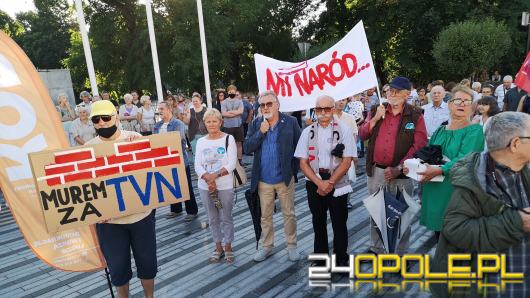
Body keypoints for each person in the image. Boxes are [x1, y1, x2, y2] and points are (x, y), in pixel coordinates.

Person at [432, 112, 530, 296]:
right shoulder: (476, 180)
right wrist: (517, 222)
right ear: (516, 144)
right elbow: (455, 228)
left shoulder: (523, 170)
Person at [86, 100, 156, 298]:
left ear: (116, 117)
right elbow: (86, 186)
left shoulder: (135, 138)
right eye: (96, 119)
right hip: (109, 223)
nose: (101, 123)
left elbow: (152, 171)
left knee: (148, 263)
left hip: (141, 216)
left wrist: (141, 148)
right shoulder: (88, 148)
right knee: (117, 270)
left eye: (106, 118)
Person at [359, 76, 428, 254]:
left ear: (407, 94)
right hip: (377, 172)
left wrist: (399, 167)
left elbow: (419, 145)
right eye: (390, 90)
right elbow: (362, 135)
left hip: (402, 173)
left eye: (397, 91)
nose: (392, 94)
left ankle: (400, 252)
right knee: (376, 211)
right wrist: (374, 119)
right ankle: (376, 247)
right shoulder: (377, 109)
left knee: (402, 214)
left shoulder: (415, 114)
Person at [410, 86, 485, 238]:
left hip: (457, 191)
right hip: (435, 188)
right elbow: (427, 155)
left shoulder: (475, 130)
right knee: (440, 237)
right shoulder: (440, 130)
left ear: (472, 107)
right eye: (458, 100)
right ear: (450, 104)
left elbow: (465, 158)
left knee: (457, 239)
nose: (462, 104)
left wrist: (440, 170)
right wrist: (414, 167)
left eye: (467, 101)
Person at [295, 95, 356, 267]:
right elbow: (302, 162)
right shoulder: (307, 131)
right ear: (315, 111)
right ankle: (321, 259)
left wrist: (329, 183)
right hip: (314, 180)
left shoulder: (344, 129)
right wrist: (319, 183)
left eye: (327, 109)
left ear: (333, 109)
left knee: (339, 222)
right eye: (319, 109)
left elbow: (347, 160)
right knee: (318, 221)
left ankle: (341, 261)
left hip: (337, 180)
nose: (323, 112)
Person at [244, 90, 301, 262]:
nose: (266, 107)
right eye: (262, 105)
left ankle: (292, 245)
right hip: (263, 179)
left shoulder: (290, 122)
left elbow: (299, 148)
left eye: (269, 103)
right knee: (265, 216)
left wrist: (292, 171)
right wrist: (260, 132)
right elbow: (247, 148)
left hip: (284, 178)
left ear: (277, 105)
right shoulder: (256, 124)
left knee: (289, 214)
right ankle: (267, 246)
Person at [195, 108, 237, 263]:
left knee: (226, 216)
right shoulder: (200, 141)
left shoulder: (229, 138)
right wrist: (208, 178)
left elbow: (232, 163)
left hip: (224, 185)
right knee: (212, 218)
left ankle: (228, 246)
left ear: (221, 122)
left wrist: (214, 176)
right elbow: (197, 165)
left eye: (214, 121)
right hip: (205, 186)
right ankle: (218, 246)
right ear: (204, 123)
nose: (211, 124)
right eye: (208, 121)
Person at [154, 101, 199, 221]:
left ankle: (192, 211)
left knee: (186, 185)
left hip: (179, 159)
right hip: (164, 160)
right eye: (159, 109)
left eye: (162, 108)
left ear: (169, 109)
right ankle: (176, 209)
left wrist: (163, 143)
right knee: (172, 185)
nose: (160, 111)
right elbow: (153, 143)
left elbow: (180, 141)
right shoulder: (157, 126)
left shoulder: (177, 123)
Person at [334, 98, 359, 209]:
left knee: (348, 178)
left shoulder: (350, 118)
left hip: (347, 154)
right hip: (332, 156)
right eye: (339, 100)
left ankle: (347, 200)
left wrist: (353, 154)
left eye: (343, 100)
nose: (341, 102)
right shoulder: (328, 117)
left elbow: (354, 136)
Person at [221, 85, 245, 164]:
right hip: (227, 126)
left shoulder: (239, 101)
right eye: (230, 91)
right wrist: (236, 113)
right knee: (229, 144)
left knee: (239, 143)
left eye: (233, 91)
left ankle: (240, 160)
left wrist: (230, 112)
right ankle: (230, 160)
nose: (232, 93)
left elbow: (241, 111)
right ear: (228, 92)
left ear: (235, 91)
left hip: (238, 125)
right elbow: (224, 113)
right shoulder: (224, 102)